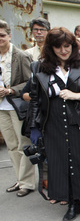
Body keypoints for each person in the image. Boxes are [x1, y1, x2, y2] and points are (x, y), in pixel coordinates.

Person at [29, 27, 80, 221]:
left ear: (73, 45)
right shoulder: (39, 67)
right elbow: (35, 99)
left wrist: (78, 95)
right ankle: (73, 203)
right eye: (58, 47)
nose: (63, 51)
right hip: (53, 122)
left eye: (67, 46)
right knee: (61, 163)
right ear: (51, 48)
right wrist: (34, 127)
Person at [0, 20, 35, 197]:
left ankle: (27, 183)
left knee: (23, 144)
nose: (0, 39)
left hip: (17, 106)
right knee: (11, 146)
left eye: (2, 35)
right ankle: (19, 179)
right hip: (1, 107)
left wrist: (11, 90)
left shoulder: (21, 56)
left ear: (9, 35)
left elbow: (30, 82)